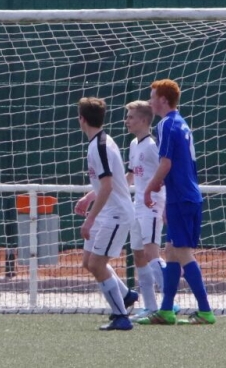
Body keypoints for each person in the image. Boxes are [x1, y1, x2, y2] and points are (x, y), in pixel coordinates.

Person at [137, 79, 215, 325]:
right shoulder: (181, 123)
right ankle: (166, 310)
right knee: (170, 252)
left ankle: (205, 311)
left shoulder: (166, 124)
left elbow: (166, 164)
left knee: (182, 253)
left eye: (152, 96)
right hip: (185, 196)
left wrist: (149, 189)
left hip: (182, 197)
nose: (150, 101)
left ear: (163, 99)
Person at [73, 97, 138, 331]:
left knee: (97, 263)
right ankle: (126, 295)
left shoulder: (100, 146)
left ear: (82, 119)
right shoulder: (101, 142)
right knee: (88, 262)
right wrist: (88, 197)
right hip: (107, 211)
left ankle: (121, 317)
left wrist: (89, 219)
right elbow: (108, 183)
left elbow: (109, 186)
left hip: (116, 213)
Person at [123, 100, 171, 320]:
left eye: (131, 117)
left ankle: (169, 304)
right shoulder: (134, 144)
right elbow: (131, 175)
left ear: (143, 120)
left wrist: (166, 204)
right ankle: (150, 307)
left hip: (152, 205)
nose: (127, 121)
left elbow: (167, 174)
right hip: (137, 206)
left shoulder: (153, 146)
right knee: (139, 255)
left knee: (152, 253)